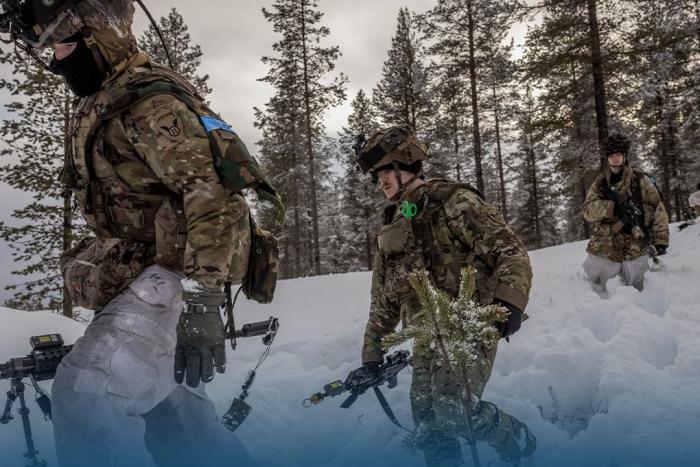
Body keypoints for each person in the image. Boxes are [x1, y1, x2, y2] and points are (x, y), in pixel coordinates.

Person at [1, 1, 278, 465]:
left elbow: (213, 196)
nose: (57, 61)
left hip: (170, 274)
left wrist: (202, 300)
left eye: (64, 46)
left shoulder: (152, 105)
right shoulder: (107, 97)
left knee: (87, 394)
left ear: (98, 39)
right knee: (162, 407)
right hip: (146, 273)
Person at [349, 127, 535, 466]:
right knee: (428, 427)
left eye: (385, 171)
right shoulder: (393, 225)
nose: (380, 181)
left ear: (405, 165)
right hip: (425, 338)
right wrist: (372, 354)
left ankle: (515, 438)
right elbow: (384, 297)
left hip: (470, 325)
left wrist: (509, 303)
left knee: (454, 412)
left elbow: (511, 252)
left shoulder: (453, 202)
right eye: (376, 176)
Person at [582, 134, 669, 292]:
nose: (615, 159)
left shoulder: (641, 180)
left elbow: (658, 209)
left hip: (635, 245)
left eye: (618, 154)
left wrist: (661, 241)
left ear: (624, 156)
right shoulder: (600, 184)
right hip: (606, 246)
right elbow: (587, 211)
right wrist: (610, 207)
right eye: (611, 155)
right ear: (607, 159)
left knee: (641, 286)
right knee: (595, 282)